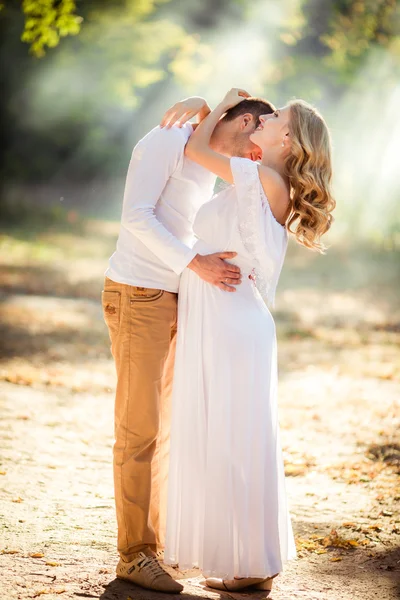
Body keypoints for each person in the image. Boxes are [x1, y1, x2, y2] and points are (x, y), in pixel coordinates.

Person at [163, 89, 336, 593]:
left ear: (287, 136)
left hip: (232, 322)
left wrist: (216, 104)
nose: (264, 116)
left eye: (276, 115)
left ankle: (254, 565)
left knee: (237, 440)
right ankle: (247, 560)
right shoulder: (263, 178)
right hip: (225, 319)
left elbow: (196, 150)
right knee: (230, 437)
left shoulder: (264, 177)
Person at [102, 94, 276, 592]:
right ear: (247, 122)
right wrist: (195, 262)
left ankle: (156, 545)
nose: (256, 154)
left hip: (181, 300)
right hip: (138, 293)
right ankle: (134, 554)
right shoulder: (165, 140)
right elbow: (136, 216)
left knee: (171, 431)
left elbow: (191, 225)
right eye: (259, 137)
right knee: (139, 430)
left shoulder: (206, 156)